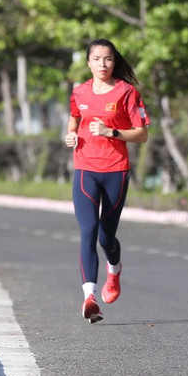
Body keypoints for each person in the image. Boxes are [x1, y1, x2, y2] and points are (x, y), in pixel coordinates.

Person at [65, 39, 150, 324]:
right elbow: (74, 119)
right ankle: (89, 297)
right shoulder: (79, 92)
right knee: (88, 230)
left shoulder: (127, 92)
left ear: (115, 62)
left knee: (106, 236)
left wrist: (112, 132)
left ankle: (114, 269)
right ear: (88, 62)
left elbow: (141, 134)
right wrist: (70, 135)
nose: (102, 64)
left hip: (116, 170)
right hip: (85, 168)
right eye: (97, 59)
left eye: (108, 59)